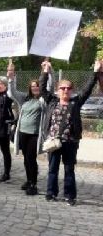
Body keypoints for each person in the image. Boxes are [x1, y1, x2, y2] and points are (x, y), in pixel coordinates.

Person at [40, 60, 101, 205]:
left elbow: (87, 89)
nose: (65, 90)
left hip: (70, 142)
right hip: (54, 142)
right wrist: (45, 72)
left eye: (68, 88)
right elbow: (42, 88)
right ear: (58, 90)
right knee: (52, 169)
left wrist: (95, 72)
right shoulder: (52, 101)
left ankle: (70, 196)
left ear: (72, 90)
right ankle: (51, 192)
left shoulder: (75, 102)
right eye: (62, 88)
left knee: (69, 170)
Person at [7, 60, 53, 195]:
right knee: (26, 159)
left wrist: (48, 71)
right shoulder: (25, 98)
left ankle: (33, 184)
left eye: (37, 86)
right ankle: (28, 180)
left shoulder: (43, 100)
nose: (35, 88)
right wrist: (11, 78)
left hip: (34, 134)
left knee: (31, 159)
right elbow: (13, 92)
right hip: (22, 133)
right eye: (33, 86)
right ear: (30, 88)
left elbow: (49, 87)